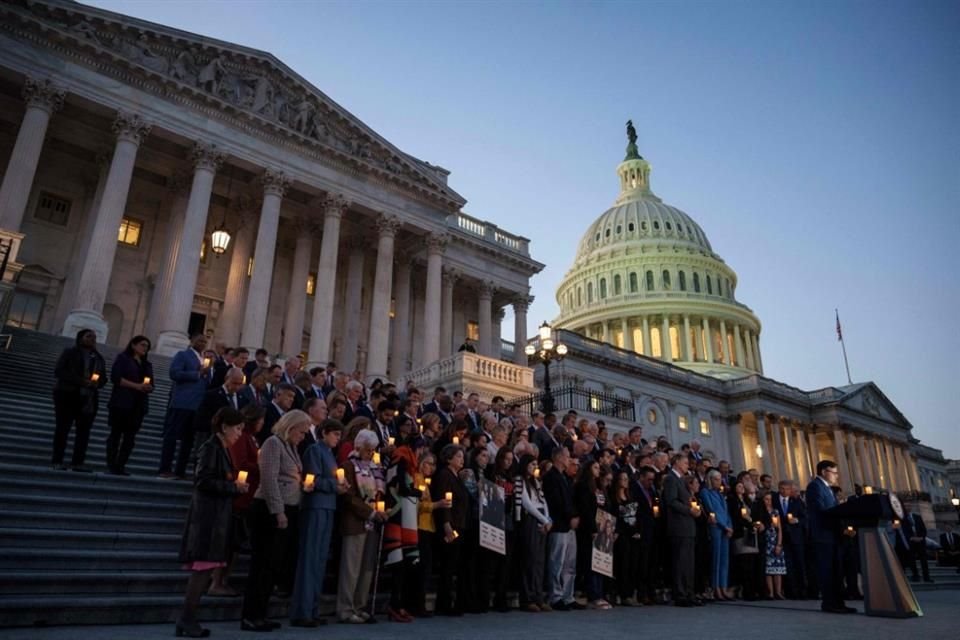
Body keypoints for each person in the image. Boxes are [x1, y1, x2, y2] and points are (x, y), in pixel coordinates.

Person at [175, 407, 249, 638]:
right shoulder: (211, 448)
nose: (239, 433)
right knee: (201, 572)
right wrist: (233, 487)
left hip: (215, 516)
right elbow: (203, 481)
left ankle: (188, 618)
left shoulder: (222, 449)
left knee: (204, 572)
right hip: (207, 518)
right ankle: (187, 618)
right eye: (237, 428)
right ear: (224, 427)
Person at [240, 410, 312, 631]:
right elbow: (269, 479)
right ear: (290, 428)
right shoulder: (273, 443)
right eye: (301, 432)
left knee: (273, 565)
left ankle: (261, 613)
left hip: (288, 508)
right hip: (269, 510)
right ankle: (251, 615)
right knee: (262, 563)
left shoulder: (291, 447)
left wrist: (302, 487)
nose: (303, 436)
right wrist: (278, 511)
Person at [289, 419, 348, 627]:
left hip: (328, 506)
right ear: (324, 433)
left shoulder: (330, 454)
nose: (337, 439)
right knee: (310, 558)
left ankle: (312, 609)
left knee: (320, 559)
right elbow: (311, 480)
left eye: (340, 436)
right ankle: (302, 610)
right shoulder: (315, 450)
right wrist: (334, 485)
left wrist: (341, 485)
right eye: (335, 434)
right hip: (315, 507)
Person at [336, 429, 385, 624]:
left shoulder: (374, 468)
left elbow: (379, 491)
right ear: (358, 447)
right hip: (355, 521)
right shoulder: (348, 465)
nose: (370, 453)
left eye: (373, 450)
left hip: (371, 522)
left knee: (366, 567)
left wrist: (379, 509)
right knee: (351, 567)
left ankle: (359, 605)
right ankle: (346, 609)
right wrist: (369, 511)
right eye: (367, 449)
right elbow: (349, 495)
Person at [52, 328, 107, 472]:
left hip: (88, 399)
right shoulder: (70, 352)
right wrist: (82, 382)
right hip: (67, 395)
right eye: (89, 336)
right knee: (63, 429)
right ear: (80, 338)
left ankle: (78, 462)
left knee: (84, 432)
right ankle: (57, 460)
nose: (93, 339)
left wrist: (97, 383)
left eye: (94, 337)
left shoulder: (98, 358)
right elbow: (59, 371)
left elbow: (104, 378)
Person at [160, 334, 212, 479]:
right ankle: (165, 468)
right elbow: (174, 373)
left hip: (197, 405)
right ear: (192, 341)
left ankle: (180, 470)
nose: (202, 343)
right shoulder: (183, 355)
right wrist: (197, 373)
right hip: (182, 402)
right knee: (172, 436)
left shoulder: (205, 360)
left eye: (205, 342)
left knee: (188, 440)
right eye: (199, 340)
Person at [806, 460, 854, 614]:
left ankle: (839, 602)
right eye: (833, 472)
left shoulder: (829, 489)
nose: (836, 476)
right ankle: (829, 603)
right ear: (823, 472)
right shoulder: (815, 486)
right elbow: (819, 509)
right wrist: (840, 509)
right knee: (827, 570)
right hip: (823, 535)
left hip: (833, 535)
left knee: (837, 571)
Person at [105, 335, 154, 476]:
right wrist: (137, 386)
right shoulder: (123, 359)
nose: (145, 348)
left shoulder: (147, 364)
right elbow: (116, 378)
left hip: (138, 405)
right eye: (143, 345)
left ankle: (121, 465)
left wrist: (148, 388)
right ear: (133, 345)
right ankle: (111, 464)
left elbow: (152, 384)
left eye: (147, 346)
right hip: (121, 402)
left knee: (130, 438)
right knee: (115, 435)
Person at [543, 447, 582, 611]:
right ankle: (556, 596)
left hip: (569, 524)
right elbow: (556, 502)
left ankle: (568, 595)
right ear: (558, 458)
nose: (570, 460)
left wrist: (575, 515)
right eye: (567, 457)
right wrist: (570, 516)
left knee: (569, 563)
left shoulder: (565, 477)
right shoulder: (551, 477)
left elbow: (570, 499)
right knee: (556, 561)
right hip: (559, 524)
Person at [432, 444, 469, 616]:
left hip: (459, 523)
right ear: (449, 459)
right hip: (451, 525)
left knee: (453, 564)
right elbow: (444, 500)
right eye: (458, 456)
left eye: (462, 456)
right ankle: (444, 603)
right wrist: (447, 525)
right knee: (448, 565)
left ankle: (450, 601)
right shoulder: (445, 475)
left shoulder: (457, 476)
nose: (462, 459)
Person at [662, 453, 699, 606]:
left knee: (689, 562)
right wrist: (688, 510)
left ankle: (689, 592)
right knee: (680, 562)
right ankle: (680, 594)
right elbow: (671, 501)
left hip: (688, 526)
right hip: (679, 526)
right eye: (684, 462)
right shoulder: (671, 479)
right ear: (676, 462)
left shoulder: (681, 480)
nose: (687, 465)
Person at [518, 454, 551, 611]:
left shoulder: (536, 481)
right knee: (530, 560)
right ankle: (528, 598)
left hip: (541, 518)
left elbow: (543, 501)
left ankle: (538, 596)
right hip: (530, 519)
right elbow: (527, 503)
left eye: (535, 465)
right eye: (531, 464)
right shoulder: (520, 480)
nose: (534, 467)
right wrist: (543, 520)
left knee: (539, 561)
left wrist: (548, 519)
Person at [700, 469, 733, 600]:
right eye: (716, 479)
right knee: (716, 558)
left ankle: (723, 587)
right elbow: (710, 510)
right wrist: (724, 526)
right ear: (710, 480)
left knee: (725, 559)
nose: (719, 482)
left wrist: (730, 526)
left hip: (726, 528)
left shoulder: (720, 494)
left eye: (720, 479)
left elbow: (726, 511)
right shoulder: (705, 492)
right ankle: (716, 588)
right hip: (716, 527)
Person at [728, 479, 762, 600]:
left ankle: (753, 590)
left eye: (742, 486)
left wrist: (755, 524)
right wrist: (748, 523)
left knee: (752, 563)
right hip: (741, 533)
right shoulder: (733, 501)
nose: (741, 488)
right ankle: (746, 591)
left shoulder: (747, 500)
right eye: (739, 486)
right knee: (744, 564)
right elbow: (736, 516)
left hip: (751, 534)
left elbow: (752, 515)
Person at [776, 480, 808, 598]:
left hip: (796, 537)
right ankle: (791, 591)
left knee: (799, 563)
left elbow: (805, 518)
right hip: (781, 537)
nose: (785, 491)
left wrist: (797, 520)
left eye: (787, 489)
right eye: (782, 489)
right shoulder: (774, 501)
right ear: (779, 488)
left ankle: (803, 591)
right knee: (787, 565)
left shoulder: (796, 502)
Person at [760, 491, 786, 599]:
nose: (768, 502)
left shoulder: (775, 511)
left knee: (777, 568)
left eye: (770, 499)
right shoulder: (761, 511)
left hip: (774, 540)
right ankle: (770, 592)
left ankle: (778, 591)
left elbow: (779, 529)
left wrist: (779, 544)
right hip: (766, 540)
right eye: (766, 499)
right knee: (768, 569)